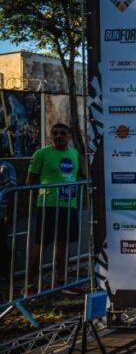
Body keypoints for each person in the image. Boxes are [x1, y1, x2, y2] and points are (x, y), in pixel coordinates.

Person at [25, 123, 80, 294]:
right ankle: (28, 285)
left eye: (62, 133)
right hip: (48, 206)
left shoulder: (74, 153)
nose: (58, 136)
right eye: (54, 133)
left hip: (69, 205)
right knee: (41, 244)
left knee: (63, 244)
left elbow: (77, 175)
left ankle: (61, 282)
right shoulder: (41, 153)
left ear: (69, 136)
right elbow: (30, 181)